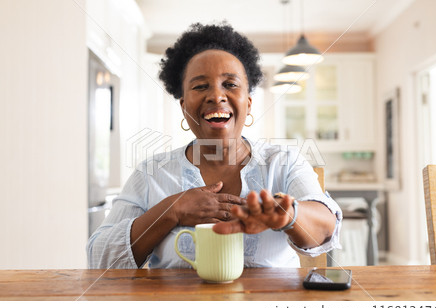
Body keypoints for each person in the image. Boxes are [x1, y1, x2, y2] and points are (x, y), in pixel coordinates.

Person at [87, 23, 342, 269]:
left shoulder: (284, 162)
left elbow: (326, 228)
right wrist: (170, 211)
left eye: (230, 84)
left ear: (249, 104)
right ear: (184, 106)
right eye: (200, 86)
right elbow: (100, 258)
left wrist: (289, 216)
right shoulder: (152, 173)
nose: (216, 96)